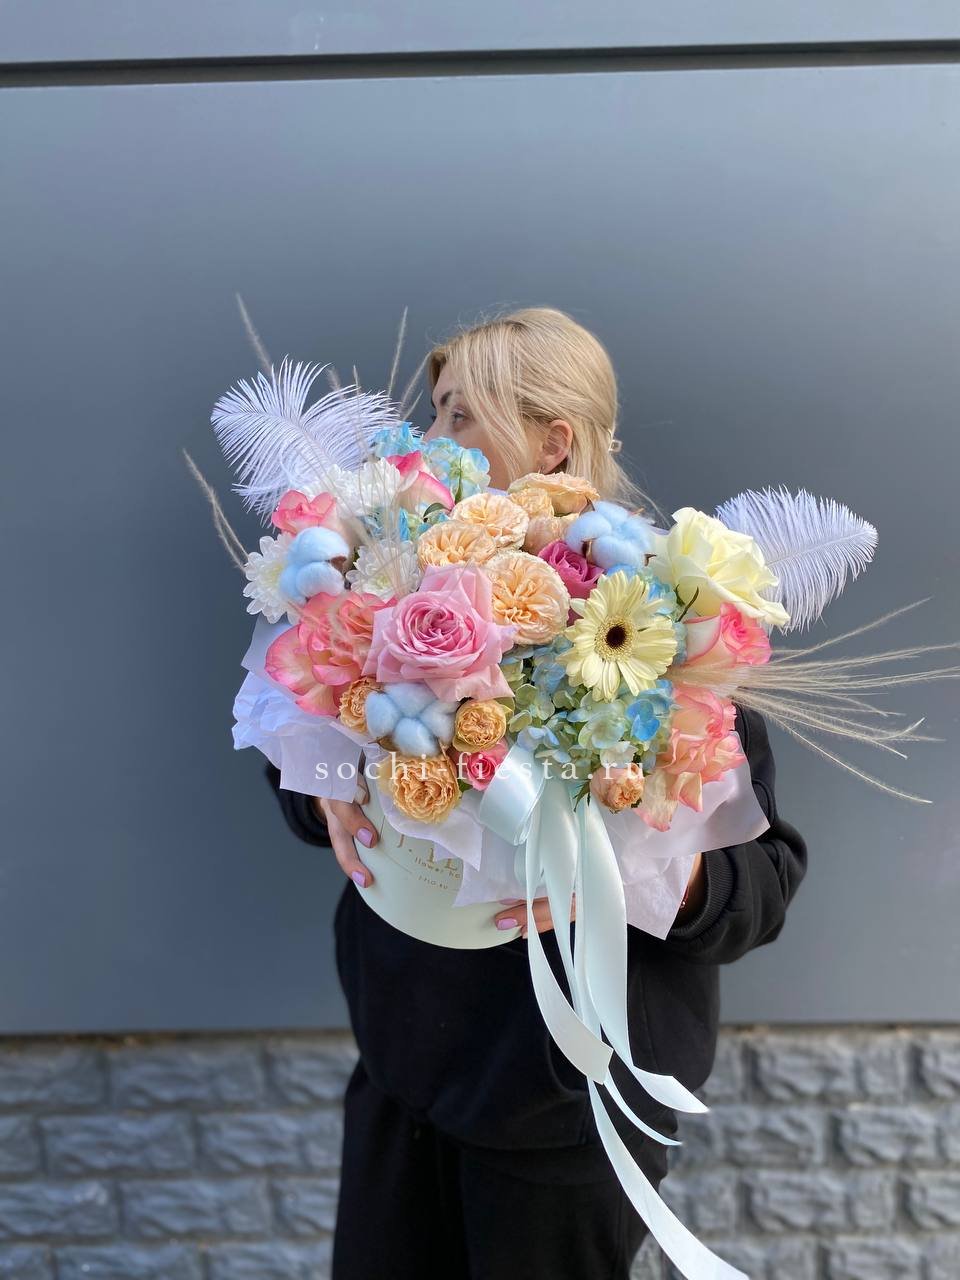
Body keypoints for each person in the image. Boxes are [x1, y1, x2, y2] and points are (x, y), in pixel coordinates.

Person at [263, 307, 809, 1279]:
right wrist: (327, 789)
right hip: (401, 1076)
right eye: (435, 412)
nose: (432, 438)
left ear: (553, 441)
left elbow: (762, 888)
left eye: (459, 414)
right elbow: (304, 759)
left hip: (564, 1114)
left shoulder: (658, 625)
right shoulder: (391, 585)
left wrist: (638, 866)